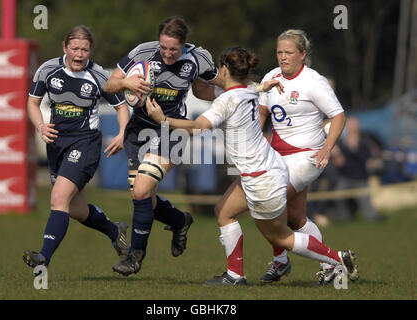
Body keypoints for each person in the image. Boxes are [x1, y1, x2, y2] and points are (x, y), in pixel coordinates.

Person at [146, 46, 359, 286]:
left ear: (225, 69)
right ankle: (235, 275)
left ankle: (335, 259)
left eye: (219, 68)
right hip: (268, 168)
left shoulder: (227, 100)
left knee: (282, 238)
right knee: (224, 212)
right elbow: (210, 90)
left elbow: (197, 127)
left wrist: (162, 120)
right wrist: (194, 70)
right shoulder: (249, 90)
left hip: (261, 177)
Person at [104, 16, 222, 276]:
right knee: (143, 195)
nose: (168, 54)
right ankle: (180, 221)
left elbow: (206, 89)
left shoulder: (198, 58)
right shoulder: (142, 52)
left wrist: (241, 92)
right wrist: (126, 83)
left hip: (173, 129)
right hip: (139, 130)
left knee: (140, 191)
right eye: (164, 47)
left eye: (174, 49)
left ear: (184, 45)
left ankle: (135, 256)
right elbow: (109, 84)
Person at [23, 25, 130, 272]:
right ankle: (116, 232)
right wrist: (40, 125)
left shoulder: (100, 75)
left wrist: (122, 133)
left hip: (85, 143)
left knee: (58, 198)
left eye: (85, 49)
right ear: (65, 48)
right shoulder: (48, 69)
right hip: (56, 144)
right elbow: (32, 102)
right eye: (75, 49)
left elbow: (122, 106)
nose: (80, 54)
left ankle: (43, 259)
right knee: (76, 210)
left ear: (90, 50)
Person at [258, 29, 347, 285]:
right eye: (279, 52)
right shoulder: (271, 77)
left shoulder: (313, 81)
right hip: (278, 156)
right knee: (295, 218)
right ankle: (330, 267)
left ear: (303, 54)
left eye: (289, 52)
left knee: (268, 201)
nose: (283, 57)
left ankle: (281, 262)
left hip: (308, 156)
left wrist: (327, 148)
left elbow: (338, 116)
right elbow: (262, 113)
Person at [332, 116, 385, 222]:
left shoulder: (365, 142)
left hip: (360, 178)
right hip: (345, 178)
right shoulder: (341, 143)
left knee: (366, 203)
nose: (354, 128)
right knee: (338, 196)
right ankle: (345, 218)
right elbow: (339, 163)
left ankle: (372, 217)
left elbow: (369, 159)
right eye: (351, 126)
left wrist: (356, 149)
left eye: (355, 125)